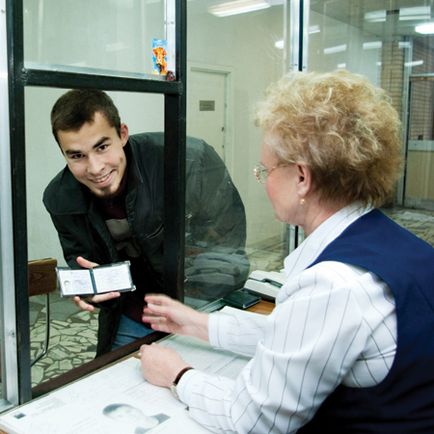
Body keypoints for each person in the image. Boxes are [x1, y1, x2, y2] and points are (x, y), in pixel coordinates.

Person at [139, 70, 434, 433]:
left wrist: (177, 374)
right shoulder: (396, 242)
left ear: (301, 178)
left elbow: (255, 420)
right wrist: (198, 323)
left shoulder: (334, 283)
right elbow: (301, 340)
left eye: (266, 169)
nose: (263, 181)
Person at [43, 89, 248, 357]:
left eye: (102, 147)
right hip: (133, 314)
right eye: (76, 156)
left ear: (123, 134)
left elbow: (227, 246)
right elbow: (80, 260)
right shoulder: (60, 197)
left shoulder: (188, 161)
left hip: (199, 307)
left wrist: (195, 318)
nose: (94, 168)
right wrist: (88, 289)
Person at [102, 402, 169, 433]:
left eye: (128, 411)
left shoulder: (165, 415)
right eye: (120, 416)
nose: (130, 416)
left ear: (137, 408)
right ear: (117, 421)